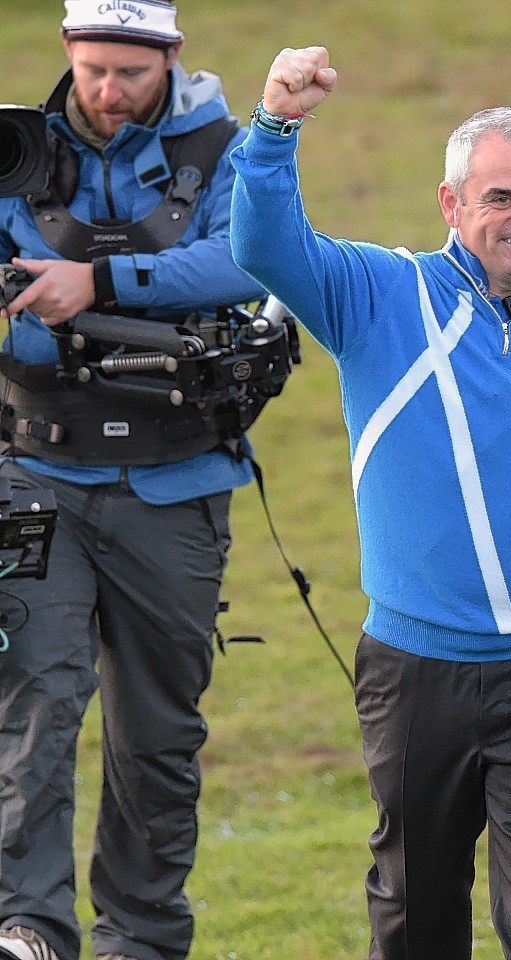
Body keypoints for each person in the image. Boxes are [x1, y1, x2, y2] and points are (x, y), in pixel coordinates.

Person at [230, 44, 511, 960]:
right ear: (450, 203)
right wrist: (274, 127)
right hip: (414, 673)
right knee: (416, 913)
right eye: (501, 196)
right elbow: (262, 244)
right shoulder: (379, 295)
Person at [0, 3, 267, 960]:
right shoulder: (11, 152)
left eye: (128, 72)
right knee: (36, 705)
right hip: (34, 473)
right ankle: (27, 925)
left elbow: (245, 260)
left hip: (180, 476)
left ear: (171, 58)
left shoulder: (229, 149)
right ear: (66, 53)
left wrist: (97, 287)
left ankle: (141, 938)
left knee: (158, 732)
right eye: (90, 69)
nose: (107, 92)